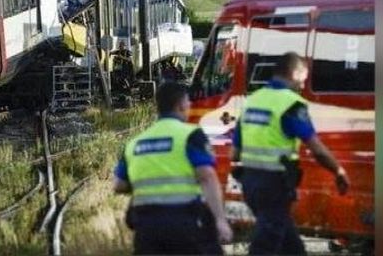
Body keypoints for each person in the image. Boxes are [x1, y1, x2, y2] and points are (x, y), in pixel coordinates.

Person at [231, 52, 350, 255]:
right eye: (303, 79)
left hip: (250, 183)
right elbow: (316, 149)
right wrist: (338, 170)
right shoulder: (291, 104)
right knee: (265, 245)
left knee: (291, 247)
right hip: (275, 186)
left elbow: (235, 153)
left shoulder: (252, 101)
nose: (303, 86)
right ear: (294, 73)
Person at [114, 82, 233, 255]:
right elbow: (207, 176)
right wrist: (220, 220)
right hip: (184, 224)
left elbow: (118, 185)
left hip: (146, 230)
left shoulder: (135, 143)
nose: (190, 106)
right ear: (181, 105)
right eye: (188, 102)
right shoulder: (190, 135)